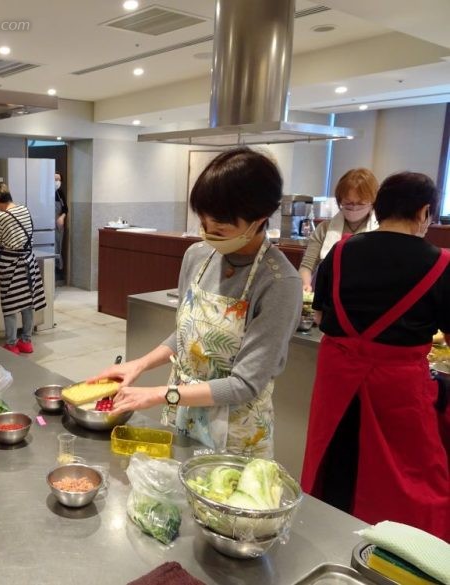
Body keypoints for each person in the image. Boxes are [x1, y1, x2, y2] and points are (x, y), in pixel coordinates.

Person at [97, 148, 301, 458]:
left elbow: (245, 384)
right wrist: (138, 364)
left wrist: (160, 395)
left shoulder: (279, 283)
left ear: (259, 220)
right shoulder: (197, 256)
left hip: (237, 430)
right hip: (182, 415)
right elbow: (186, 334)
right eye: (203, 225)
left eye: (220, 229)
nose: (208, 235)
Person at [302, 172, 449, 540]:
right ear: (425, 212)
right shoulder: (441, 263)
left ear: (378, 208)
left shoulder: (339, 251)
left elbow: (321, 316)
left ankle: (327, 540)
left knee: (334, 462)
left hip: (337, 381)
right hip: (397, 389)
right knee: (402, 480)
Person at [0, 182, 46, 355]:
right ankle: (26, 342)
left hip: (11, 265)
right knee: (27, 303)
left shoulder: (1, 216)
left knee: (10, 304)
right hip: (28, 262)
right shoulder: (24, 210)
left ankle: (11, 344)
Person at [299, 168, 379, 292]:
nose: (354, 208)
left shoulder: (380, 230)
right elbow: (307, 266)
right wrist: (305, 284)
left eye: (360, 203)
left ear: (373, 202)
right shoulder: (325, 229)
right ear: (340, 200)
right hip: (328, 295)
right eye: (348, 203)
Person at [54, 172, 68, 274]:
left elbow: (65, 209)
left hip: (58, 224)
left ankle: (57, 270)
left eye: (58, 180)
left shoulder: (60, 193)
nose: (56, 182)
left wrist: (62, 218)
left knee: (58, 246)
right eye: (54, 179)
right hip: (46, 224)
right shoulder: (44, 191)